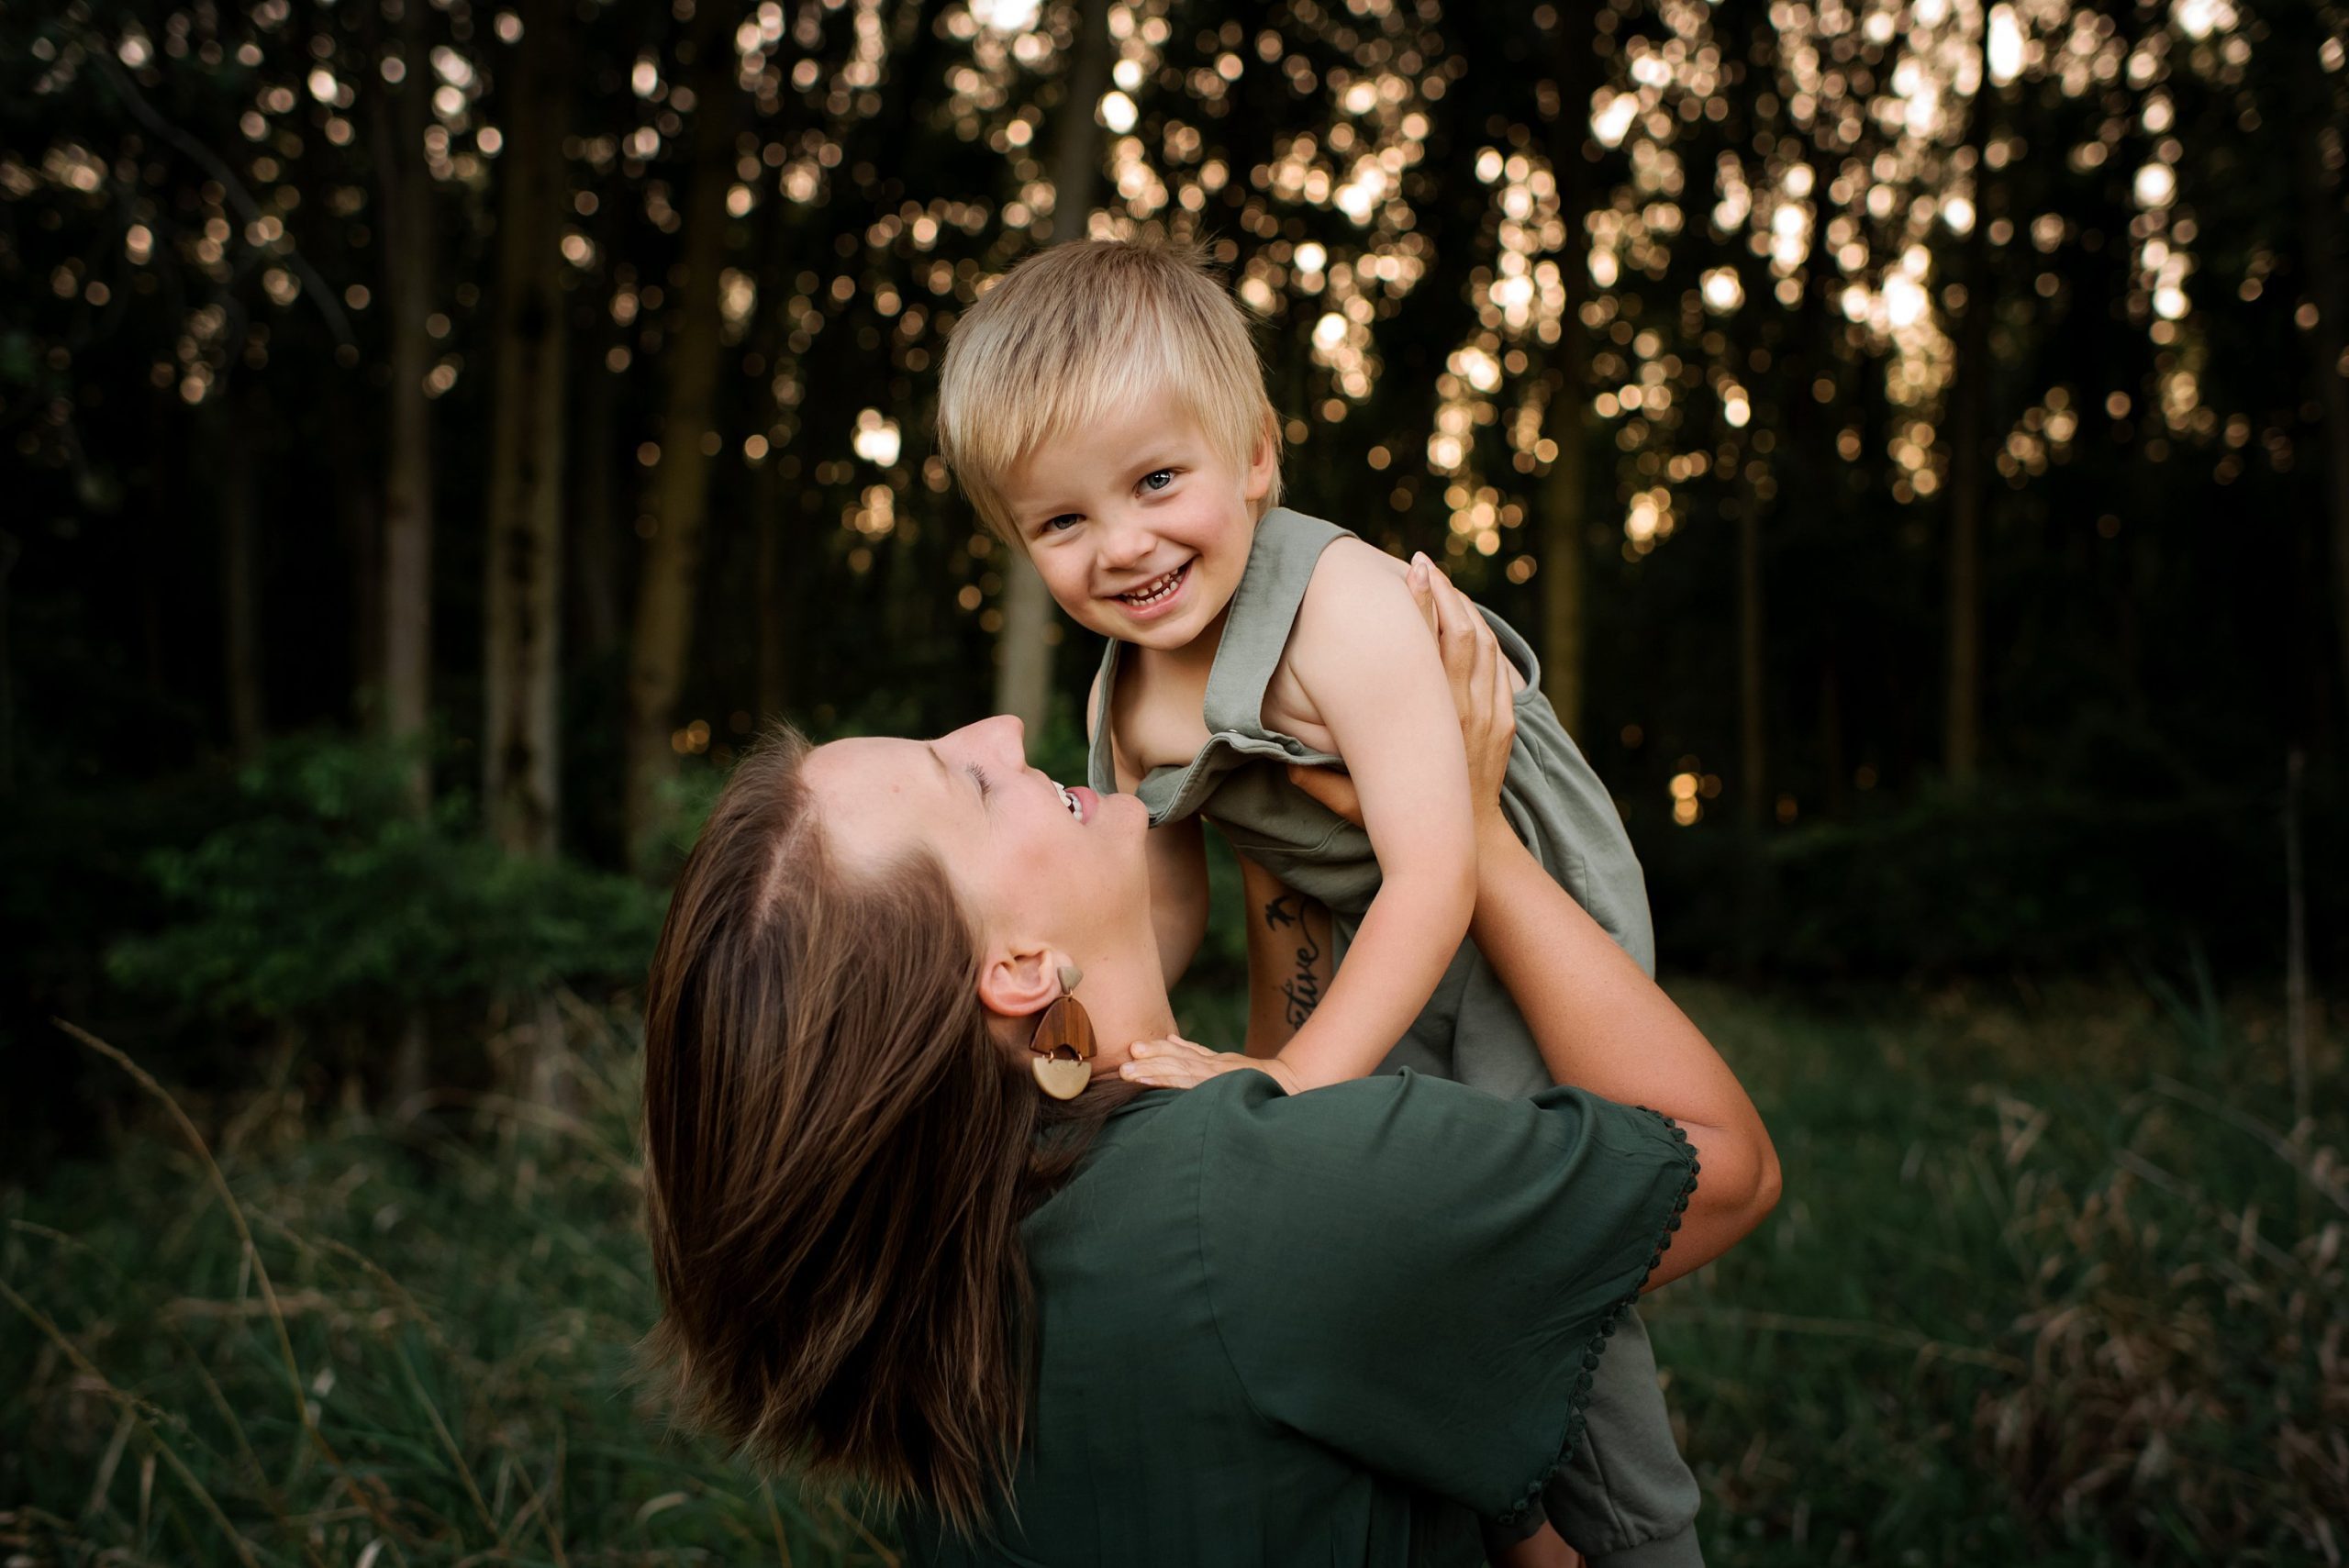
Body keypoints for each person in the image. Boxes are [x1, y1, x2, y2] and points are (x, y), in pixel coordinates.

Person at [640, 567, 1782, 1567]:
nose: (998, 727)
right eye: (971, 782)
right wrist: (1471, 833)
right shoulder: (1262, 1196)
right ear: (1022, 966)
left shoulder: (953, 1250)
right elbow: (1724, 1166)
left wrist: (1277, 835)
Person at [934, 238, 1688, 1564]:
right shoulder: (1130, 688)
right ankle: (1473, 1499)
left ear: (1258, 460)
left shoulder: (1340, 609)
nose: (1124, 546)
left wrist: (1280, 1092)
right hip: (1370, 950)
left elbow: (1442, 865)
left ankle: (1637, 1530)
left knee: (1518, 1235)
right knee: (1376, 1241)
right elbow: (1156, 913)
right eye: (1062, 521)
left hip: (1508, 931)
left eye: (1158, 481)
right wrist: (1113, 1064)